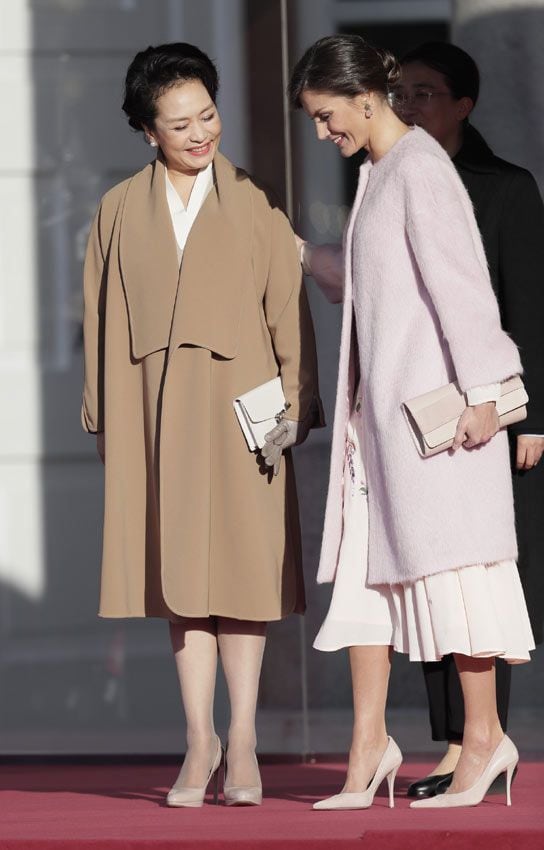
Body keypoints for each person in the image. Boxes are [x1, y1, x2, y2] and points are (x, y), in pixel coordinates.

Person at [289, 34, 535, 811]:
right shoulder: (382, 171)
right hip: (384, 427)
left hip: (438, 424)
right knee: (366, 584)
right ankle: (369, 748)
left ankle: (486, 739)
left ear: (364, 98)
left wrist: (492, 395)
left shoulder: (420, 169)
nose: (325, 134)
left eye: (328, 117)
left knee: (458, 580)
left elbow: (464, 292)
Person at [81, 42, 323, 808]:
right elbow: (101, 319)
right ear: (147, 131)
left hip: (246, 415)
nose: (200, 133)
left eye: (208, 114)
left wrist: (295, 404)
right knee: (182, 580)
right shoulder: (119, 208)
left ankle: (244, 736)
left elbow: (288, 313)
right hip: (158, 415)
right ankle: (200, 738)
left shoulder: (253, 199)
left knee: (245, 576)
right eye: (179, 123)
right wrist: (105, 420)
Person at [390, 41, 544, 798]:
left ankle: (486, 738)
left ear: (463, 105)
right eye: (402, 93)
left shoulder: (504, 187)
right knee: (431, 574)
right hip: (421, 414)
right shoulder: (388, 182)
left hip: (490, 418)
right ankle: (453, 741)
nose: (409, 105)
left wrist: (533, 416)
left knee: (483, 579)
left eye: (424, 92)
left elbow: (532, 309)